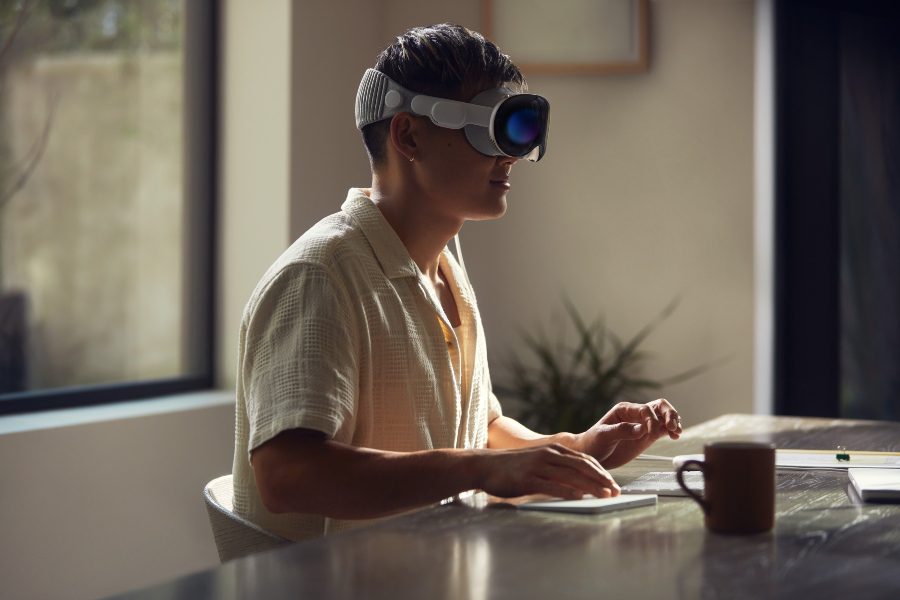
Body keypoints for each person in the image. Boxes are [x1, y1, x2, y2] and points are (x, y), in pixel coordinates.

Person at [232, 23, 683, 541]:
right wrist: (478, 469)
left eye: (520, 130)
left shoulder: (443, 265)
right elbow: (289, 477)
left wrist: (572, 450)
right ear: (408, 135)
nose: (511, 154)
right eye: (491, 128)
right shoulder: (320, 277)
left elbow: (478, 430)